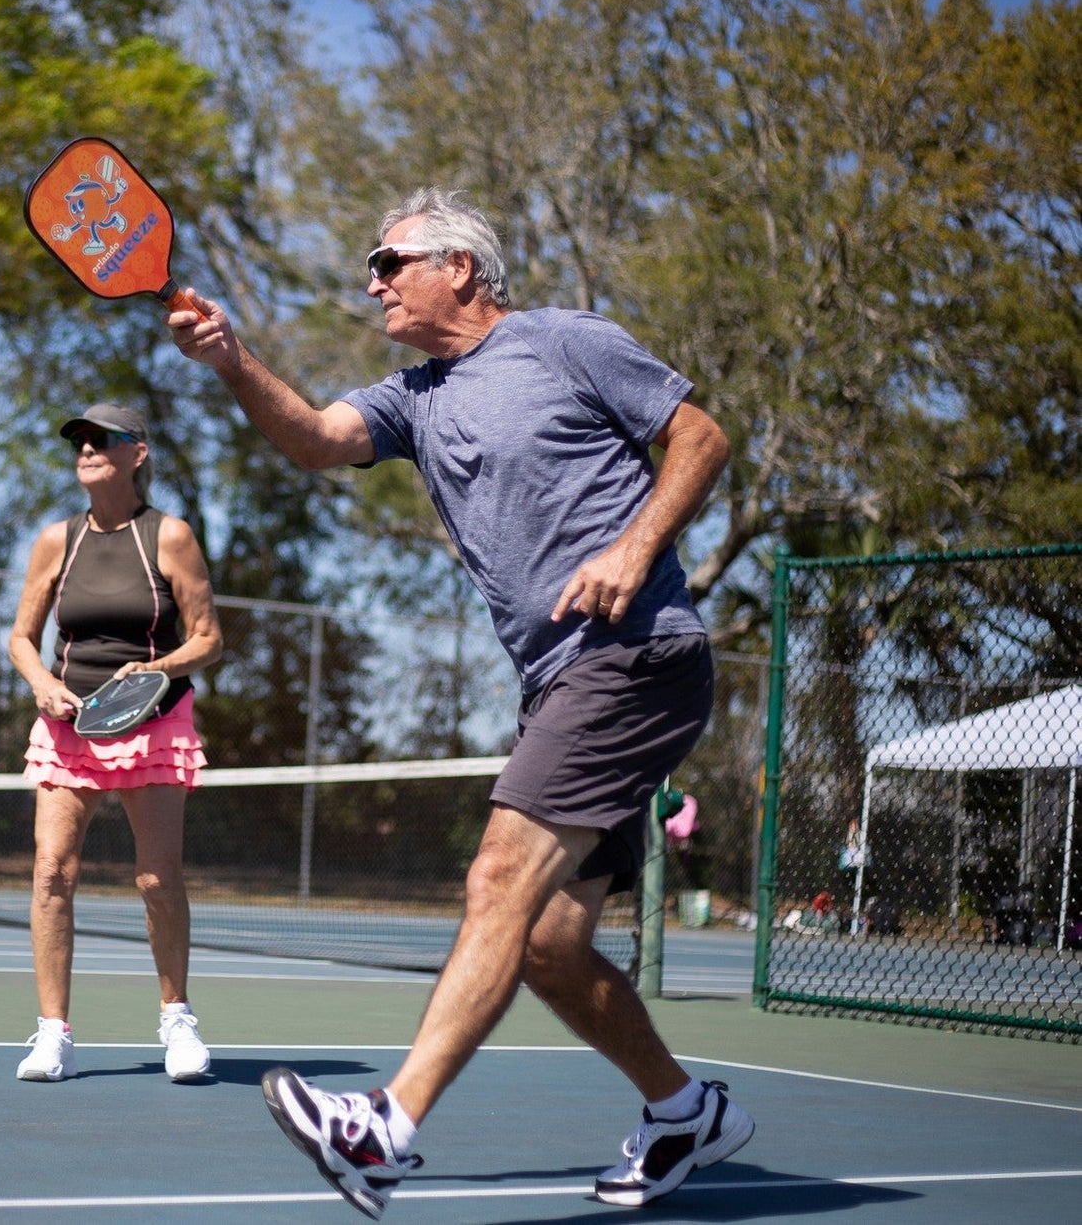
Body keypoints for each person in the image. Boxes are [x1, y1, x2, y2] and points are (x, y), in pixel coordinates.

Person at [166, 189, 752, 1215]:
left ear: (460, 268)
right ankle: (682, 1109)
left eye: (389, 260)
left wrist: (632, 546)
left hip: (631, 653)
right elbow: (309, 437)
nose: (373, 280)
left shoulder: (563, 340)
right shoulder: (412, 398)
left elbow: (699, 435)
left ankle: (384, 1125)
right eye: (372, 265)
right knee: (546, 942)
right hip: (557, 681)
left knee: (495, 877)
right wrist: (230, 358)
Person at [8, 403, 224, 1085]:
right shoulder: (55, 540)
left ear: (138, 452)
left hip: (154, 723)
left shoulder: (170, 536)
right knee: (51, 874)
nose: (88, 448)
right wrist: (42, 681)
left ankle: (176, 1019)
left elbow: (209, 638)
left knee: (157, 880)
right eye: (80, 439)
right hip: (68, 725)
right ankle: (52, 1034)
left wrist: (155, 670)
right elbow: (21, 635)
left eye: (103, 439)